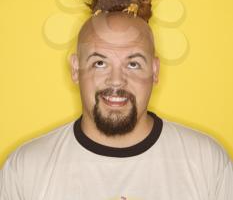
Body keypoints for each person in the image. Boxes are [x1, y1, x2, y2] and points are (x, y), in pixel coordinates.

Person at [0, 11, 232, 200]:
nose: (116, 80)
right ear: (75, 68)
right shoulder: (26, 168)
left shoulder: (207, 162)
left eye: (133, 64)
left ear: (154, 70)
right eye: (100, 63)